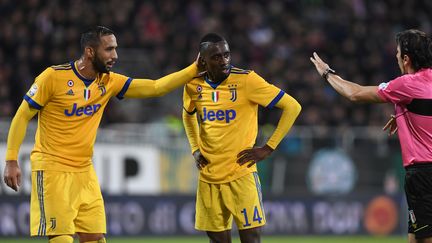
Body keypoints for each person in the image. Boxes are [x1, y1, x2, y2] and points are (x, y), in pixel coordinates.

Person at [3, 26, 200, 243]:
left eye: (115, 49)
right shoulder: (53, 77)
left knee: (95, 238)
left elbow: (155, 87)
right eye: (109, 49)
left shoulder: (109, 81)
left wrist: (193, 70)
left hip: (84, 170)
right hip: (52, 168)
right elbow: (21, 116)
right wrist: (11, 160)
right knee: (61, 238)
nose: (115, 55)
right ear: (90, 52)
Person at [310, 29, 432, 243]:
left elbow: (354, 94)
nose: (395, 57)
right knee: (414, 237)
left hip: (423, 174)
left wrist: (327, 73)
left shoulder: (406, 85)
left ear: (406, 58)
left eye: (397, 53)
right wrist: (406, 114)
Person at [182, 33, 301, 243]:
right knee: (217, 241)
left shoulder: (247, 80)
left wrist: (268, 147)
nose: (224, 61)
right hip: (209, 176)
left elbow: (292, 107)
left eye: (226, 55)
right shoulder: (193, 85)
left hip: (241, 173)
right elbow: (187, 115)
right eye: (216, 57)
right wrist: (195, 148)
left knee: (251, 239)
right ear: (202, 61)